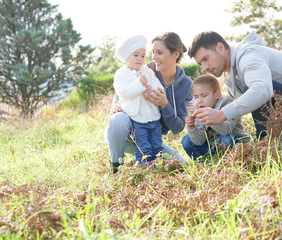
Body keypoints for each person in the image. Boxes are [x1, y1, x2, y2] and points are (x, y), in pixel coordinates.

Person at [188, 31, 282, 140]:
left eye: (206, 59)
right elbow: (238, 104)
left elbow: (263, 90)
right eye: (201, 63)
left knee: (254, 88)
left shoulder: (248, 55)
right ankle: (271, 142)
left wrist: (221, 114)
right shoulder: (230, 74)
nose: (205, 67)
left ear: (220, 47)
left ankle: (264, 143)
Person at [105, 32, 193, 173]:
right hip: (129, 132)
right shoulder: (145, 69)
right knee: (118, 119)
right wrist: (116, 106)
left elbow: (178, 128)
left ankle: (148, 165)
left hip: (153, 135)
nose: (154, 57)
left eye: (159, 52)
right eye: (152, 52)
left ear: (175, 54)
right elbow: (122, 90)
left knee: (182, 165)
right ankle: (116, 167)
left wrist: (165, 105)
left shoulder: (187, 85)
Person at [113, 35, 164, 168]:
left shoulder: (147, 71)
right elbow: (123, 93)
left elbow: (159, 87)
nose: (140, 59)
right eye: (136, 55)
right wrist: (139, 85)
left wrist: (150, 89)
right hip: (137, 119)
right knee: (144, 146)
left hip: (154, 117)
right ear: (126, 56)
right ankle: (144, 168)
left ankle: (158, 167)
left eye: (142, 55)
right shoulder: (121, 74)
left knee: (157, 145)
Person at [182, 74, 251, 160]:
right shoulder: (199, 109)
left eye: (204, 96)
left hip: (234, 143)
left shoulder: (229, 104)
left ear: (217, 94)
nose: (199, 101)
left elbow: (226, 130)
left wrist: (208, 118)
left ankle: (229, 162)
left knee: (226, 139)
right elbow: (199, 142)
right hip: (213, 147)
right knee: (187, 141)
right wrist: (192, 127)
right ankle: (205, 163)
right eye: (196, 97)